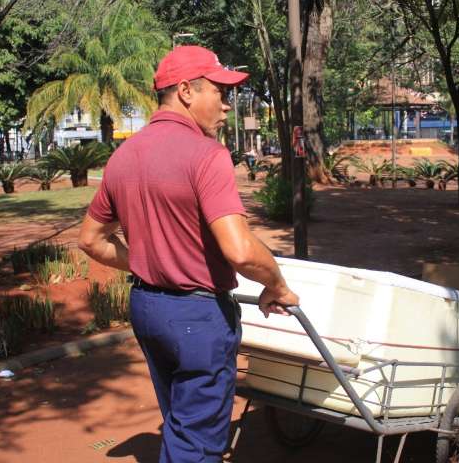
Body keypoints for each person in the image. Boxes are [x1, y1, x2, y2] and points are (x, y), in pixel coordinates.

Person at [78, 45, 299, 463]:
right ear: (185, 91)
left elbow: (91, 240)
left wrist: (149, 260)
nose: (227, 105)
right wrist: (277, 284)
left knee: (180, 418)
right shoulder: (208, 154)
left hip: (147, 308)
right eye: (219, 91)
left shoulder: (124, 156)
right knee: (197, 445)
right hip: (197, 317)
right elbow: (239, 250)